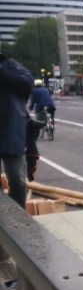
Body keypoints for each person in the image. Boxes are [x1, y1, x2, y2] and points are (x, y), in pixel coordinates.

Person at [0, 54, 34, 208]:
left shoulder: (10, 65)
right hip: (11, 131)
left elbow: (27, 84)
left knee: (17, 180)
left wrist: (3, 74)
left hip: (11, 132)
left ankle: (19, 217)